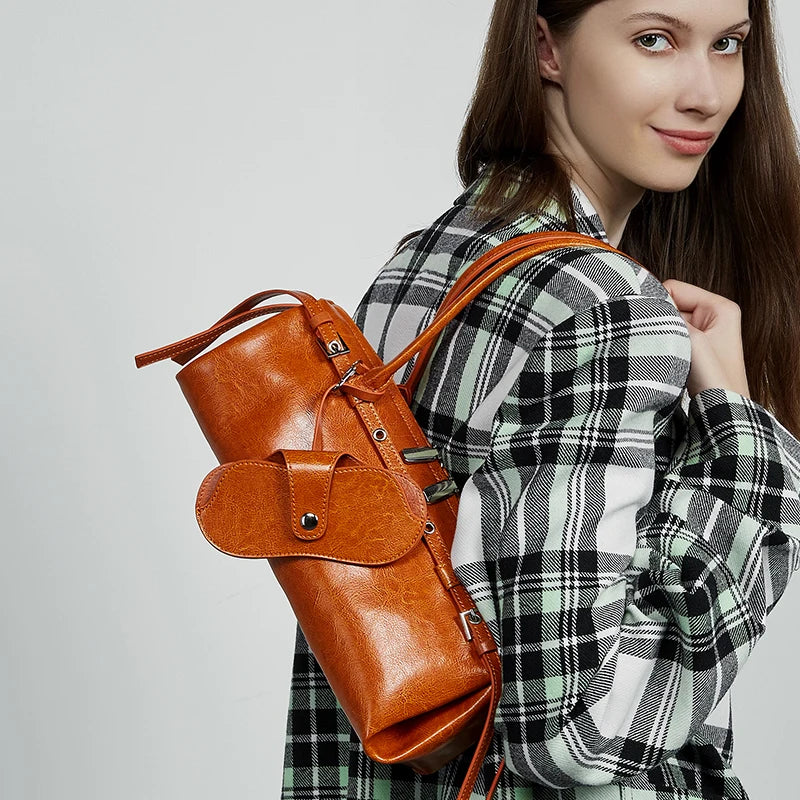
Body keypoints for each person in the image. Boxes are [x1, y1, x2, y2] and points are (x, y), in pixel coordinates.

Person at [281, 1, 800, 798]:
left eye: (728, 45)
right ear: (546, 46)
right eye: (654, 39)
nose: (706, 93)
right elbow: (576, 733)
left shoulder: (423, 264)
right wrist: (739, 434)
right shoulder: (605, 306)